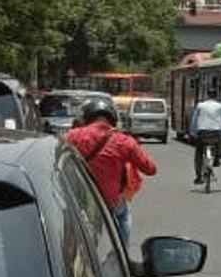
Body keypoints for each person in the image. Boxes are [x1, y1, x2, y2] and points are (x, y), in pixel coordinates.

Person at [65, 95, 158, 248]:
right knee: (124, 213)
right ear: (113, 118)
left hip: (82, 201)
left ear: (87, 117)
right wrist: (135, 147)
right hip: (112, 202)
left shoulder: (73, 136)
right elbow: (151, 169)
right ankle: (124, 255)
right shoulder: (124, 141)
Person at [190, 93, 221, 185]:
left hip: (203, 133)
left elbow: (194, 120)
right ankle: (216, 159)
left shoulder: (200, 105)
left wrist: (193, 132)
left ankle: (198, 177)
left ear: (207, 97)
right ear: (216, 97)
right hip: (216, 133)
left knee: (199, 154)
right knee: (220, 144)